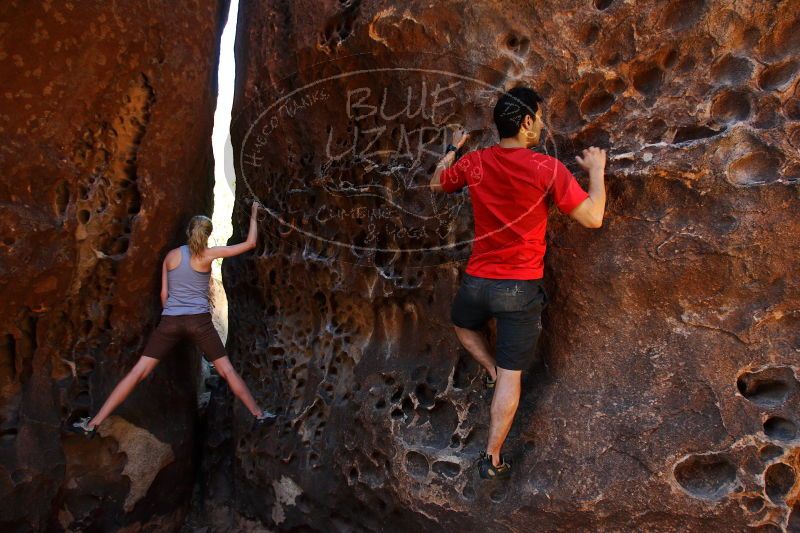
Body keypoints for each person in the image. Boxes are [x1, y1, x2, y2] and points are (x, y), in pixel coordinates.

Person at [429, 86, 607, 480]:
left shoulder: (475, 163)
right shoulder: (547, 169)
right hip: (518, 289)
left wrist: (454, 150)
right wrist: (596, 171)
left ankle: (488, 368)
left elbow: (437, 183)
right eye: (540, 117)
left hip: (477, 282)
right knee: (511, 378)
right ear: (526, 122)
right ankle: (491, 457)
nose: (542, 125)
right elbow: (593, 218)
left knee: (462, 323)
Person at [70, 201, 275, 438]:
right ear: (206, 235)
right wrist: (254, 213)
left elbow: (163, 295)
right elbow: (250, 243)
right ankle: (259, 416)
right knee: (227, 370)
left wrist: (172, 320)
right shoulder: (207, 255)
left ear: (188, 231)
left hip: (171, 321)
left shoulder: (170, 257)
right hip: (199, 321)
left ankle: (92, 424)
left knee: (138, 372)